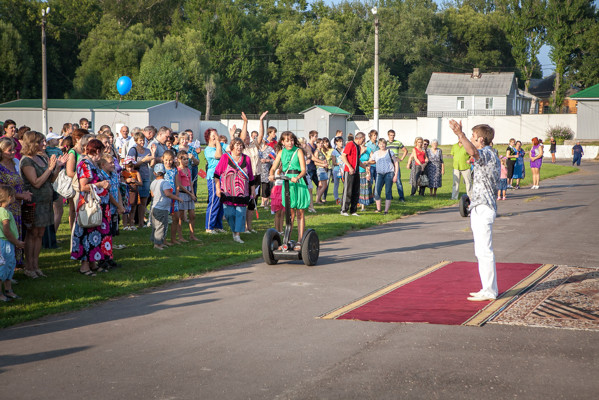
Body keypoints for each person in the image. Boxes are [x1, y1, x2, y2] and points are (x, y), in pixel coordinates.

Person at [449, 120, 500, 302]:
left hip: (484, 208)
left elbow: (473, 151)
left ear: (480, 139)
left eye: (472, 136)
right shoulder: (488, 154)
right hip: (479, 206)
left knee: (484, 250)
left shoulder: (486, 152)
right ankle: (487, 288)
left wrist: (460, 134)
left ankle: (490, 291)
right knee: (480, 251)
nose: (470, 139)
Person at [21, 131, 67, 278]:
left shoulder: (41, 157)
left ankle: (36, 265)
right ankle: (29, 266)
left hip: (46, 201)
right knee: (32, 233)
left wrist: (57, 168)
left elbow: (50, 180)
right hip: (34, 202)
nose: (44, 144)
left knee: (40, 234)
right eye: (41, 141)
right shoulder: (26, 161)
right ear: (33, 143)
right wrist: (49, 168)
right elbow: (36, 182)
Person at [70, 139, 113, 276]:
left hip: (99, 206)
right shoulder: (85, 164)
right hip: (90, 206)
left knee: (96, 233)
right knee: (89, 234)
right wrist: (100, 185)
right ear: (98, 150)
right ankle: (84, 266)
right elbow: (83, 186)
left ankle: (93, 262)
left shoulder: (93, 163)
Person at [268, 132, 310, 248]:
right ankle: (287, 240)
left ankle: (300, 241)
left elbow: (303, 170)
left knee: (300, 212)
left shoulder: (298, 151)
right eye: (287, 140)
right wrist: (271, 174)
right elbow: (273, 168)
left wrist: (297, 177)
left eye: (291, 140)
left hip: (298, 182)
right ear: (282, 142)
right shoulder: (281, 153)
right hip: (287, 183)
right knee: (289, 214)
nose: (290, 142)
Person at [214, 138, 256, 244]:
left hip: (243, 192)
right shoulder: (225, 157)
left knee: (240, 214)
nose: (239, 147)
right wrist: (218, 189)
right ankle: (234, 230)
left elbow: (250, 176)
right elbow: (217, 174)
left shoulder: (246, 159)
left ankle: (237, 235)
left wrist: (253, 190)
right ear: (232, 146)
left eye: (241, 145)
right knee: (229, 214)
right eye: (237, 145)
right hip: (227, 192)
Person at [0, 138, 32, 269]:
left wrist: (24, 193)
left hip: (17, 205)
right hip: (6, 205)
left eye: (14, 149)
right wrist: (20, 195)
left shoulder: (14, 163)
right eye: (9, 150)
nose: (13, 152)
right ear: (1, 152)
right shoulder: (0, 168)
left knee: (16, 231)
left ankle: (15, 263)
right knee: (7, 233)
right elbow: (2, 190)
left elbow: (17, 183)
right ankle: (6, 265)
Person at [0, 185, 24, 302]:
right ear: (9, 198)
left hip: (8, 243)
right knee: (3, 267)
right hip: (5, 244)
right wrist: (17, 242)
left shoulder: (5, 211)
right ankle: (1, 293)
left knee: (9, 266)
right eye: (14, 196)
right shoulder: (4, 213)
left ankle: (8, 290)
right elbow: (6, 231)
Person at [150, 163, 182, 250]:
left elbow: (152, 194)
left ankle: (156, 241)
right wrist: (177, 198)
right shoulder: (165, 183)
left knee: (155, 225)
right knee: (161, 226)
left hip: (154, 207)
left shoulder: (153, 183)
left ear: (154, 173)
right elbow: (167, 194)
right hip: (162, 208)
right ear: (164, 173)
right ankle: (157, 244)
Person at [127, 131, 153, 228]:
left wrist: (152, 155)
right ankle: (131, 222)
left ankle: (141, 222)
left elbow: (151, 164)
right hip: (135, 177)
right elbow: (130, 165)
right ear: (136, 141)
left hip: (145, 176)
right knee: (133, 201)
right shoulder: (133, 150)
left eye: (144, 140)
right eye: (140, 140)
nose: (142, 142)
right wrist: (143, 160)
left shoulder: (147, 150)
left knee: (144, 200)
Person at [340, 132, 369, 216]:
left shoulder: (358, 147)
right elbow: (343, 156)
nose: (363, 141)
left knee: (356, 191)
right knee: (348, 190)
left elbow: (358, 160)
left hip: (356, 171)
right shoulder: (350, 144)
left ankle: (353, 210)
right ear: (359, 138)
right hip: (349, 171)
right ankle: (344, 210)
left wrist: (365, 167)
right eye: (363, 139)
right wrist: (349, 167)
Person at [204, 129, 224, 234]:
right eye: (213, 135)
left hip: (223, 177)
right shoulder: (208, 150)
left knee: (221, 203)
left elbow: (231, 148)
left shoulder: (220, 145)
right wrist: (218, 144)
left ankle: (218, 226)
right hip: (213, 178)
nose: (216, 136)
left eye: (216, 134)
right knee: (214, 202)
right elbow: (218, 155)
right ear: (208, 137)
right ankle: (209, 227)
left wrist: (232, 135)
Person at [372, 138, 399, 214]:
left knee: (388, 191)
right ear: (378, 145)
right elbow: (372, 161)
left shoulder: (390, 152)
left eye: (383, 143)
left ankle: (386, 210)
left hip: (389, 173)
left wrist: (395, 175)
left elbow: (396, 163)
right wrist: (366, 164)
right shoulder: (376, 153)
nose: (382, 145)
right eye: (380, 144)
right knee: (377, 191)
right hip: (379, 173)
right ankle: (379, 209)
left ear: (386, 144)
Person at [176, 151, 198, 241]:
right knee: (180, 216)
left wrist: (193, 193)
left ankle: (192, 235)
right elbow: (180, 185)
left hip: (189, 193)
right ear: (179, 160)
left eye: (187, 159)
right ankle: (180, 236)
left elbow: (190, 183)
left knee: (192, 215)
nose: (186, 161)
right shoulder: (178, 170)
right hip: (182, 193)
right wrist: (189, 193)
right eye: (184, 159)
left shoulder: (188, 170)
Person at [386, 129, 407, 202]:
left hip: (395, 164)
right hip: (388, 164)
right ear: (388, 135)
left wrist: (401, 159)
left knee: (398, 181)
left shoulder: (398, 143)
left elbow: (405, 150)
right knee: (389, 181)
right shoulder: (385, 143)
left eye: (393, 135)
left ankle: (401, 197)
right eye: (391, 135)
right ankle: (390, 197)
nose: (392, 137)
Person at [121, 157, 141, 230]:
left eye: (131, 167)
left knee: (133, 209)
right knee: (125, 209)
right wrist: (126, 180)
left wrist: (135, 181)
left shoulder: (136, 172)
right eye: (128, 167)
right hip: (126, 193)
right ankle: (125, 224)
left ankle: (132, 224)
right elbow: (121, 182)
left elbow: (141, 183)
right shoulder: (123, 173)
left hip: (134, 193)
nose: (130, 169)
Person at [358, 138, 374, 210]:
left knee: (365, 188)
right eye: (362, 141)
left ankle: (363, 205)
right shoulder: (357, 149)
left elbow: (373, 158)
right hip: (357, 171)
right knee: (358, 188)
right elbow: (355, 158)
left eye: (364, 141)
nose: (363, 142)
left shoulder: (368, 149)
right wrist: (361, 152)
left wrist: (368, 162)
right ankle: (358, 203)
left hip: (366, 170)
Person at [331, 137, 344, 205]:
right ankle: (337, 198)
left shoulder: (344, 149)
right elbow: (333, 162)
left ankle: (345, 197)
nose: (341, 143)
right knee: (336, 184)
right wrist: (338, 163)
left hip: (344, 170)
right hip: (337, 170)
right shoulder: (334, 151)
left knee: (345, 184)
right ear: (336, 142)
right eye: (339, 141)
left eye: (341, 141)